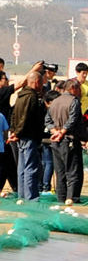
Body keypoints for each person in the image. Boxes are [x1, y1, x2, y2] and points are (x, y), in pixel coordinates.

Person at [45, 70, 85, 205]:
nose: (80, 92)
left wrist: (54, 131)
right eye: (79, 88)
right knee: (73, 171)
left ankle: (61, 198)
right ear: (73, 88)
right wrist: (61, 132)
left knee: (59, 171)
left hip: (56, 141)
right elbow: (73, 119)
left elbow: (47, 120)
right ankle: (72, 198)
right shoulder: (74, 101)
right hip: (69, 140)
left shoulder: (54, 102)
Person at [9, 63, 48, 201]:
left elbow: (13, 115)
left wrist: (14, 131)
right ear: (37, 82)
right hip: (28, 136)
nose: (42, 86)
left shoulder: (20, 95)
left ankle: (22, 195)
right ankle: (31, 198)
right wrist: (18, 132)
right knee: (31, 168)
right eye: (42, 83)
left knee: (22, 168)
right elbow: (26, 116)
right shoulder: (31, 96)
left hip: (20, 137)